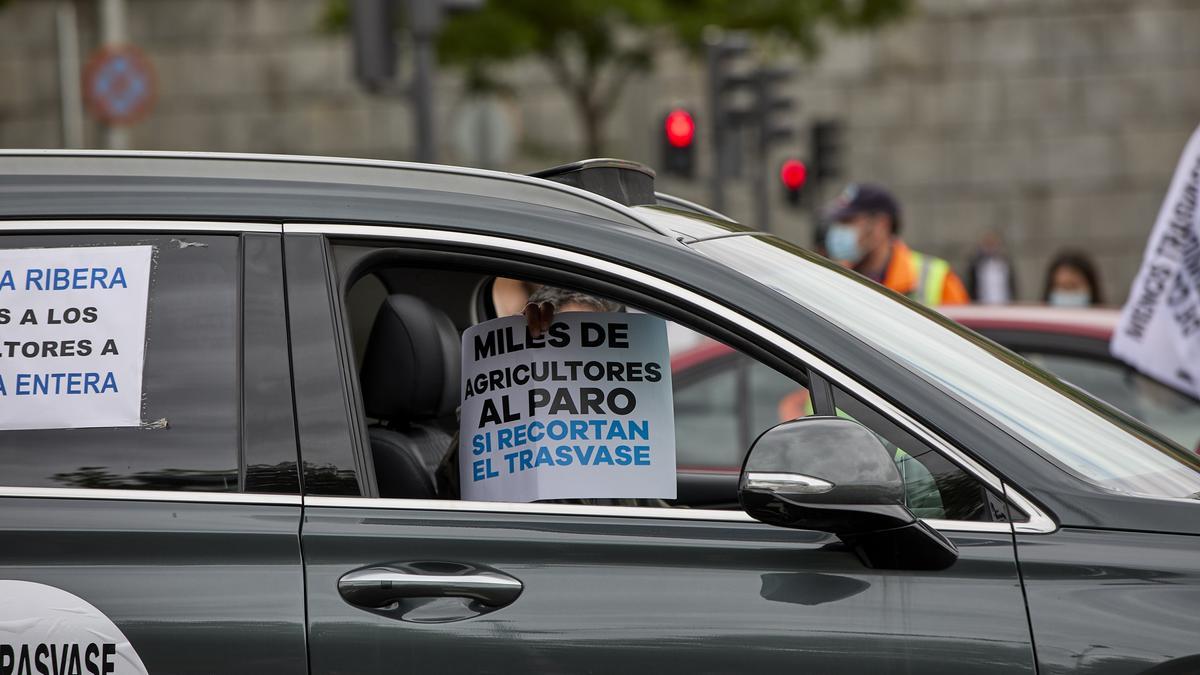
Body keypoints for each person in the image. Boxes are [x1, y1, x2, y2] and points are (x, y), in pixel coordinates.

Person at [436, 283, 667, 507]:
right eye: (567, 340)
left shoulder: (619, 446)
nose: (583, 362)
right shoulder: (502, 443)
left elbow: (661, 522)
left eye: (596, 343)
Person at [824, 183, 968, 307]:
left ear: (881, 224)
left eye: (848, 221)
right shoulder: (834, 279)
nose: (837, 231)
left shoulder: (938, 279)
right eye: (836, 222)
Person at [965, 231, 1018, 304]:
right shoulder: (976, 264)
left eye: (993, 243)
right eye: (988, 243)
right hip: (981, 304)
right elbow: (971, 286)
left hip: (1004, 303)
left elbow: (1012, 285)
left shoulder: (1005, 263)